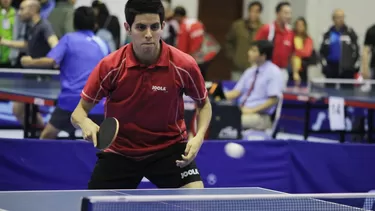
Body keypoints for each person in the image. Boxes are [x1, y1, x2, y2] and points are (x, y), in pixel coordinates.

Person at [71, 0, 212, 189]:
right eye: (140, 27)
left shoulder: (183, 65)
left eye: (154, 27)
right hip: (120, 152)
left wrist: (199, 136)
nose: (148, 34)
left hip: (169, 149)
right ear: (128, 28)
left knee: (198, 200)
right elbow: (78, 112)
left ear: (162, 26)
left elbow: (204, 104)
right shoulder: (110, 66)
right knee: (95, 205)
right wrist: (85, 122)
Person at [20, 6, 109, 139]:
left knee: (46, 136)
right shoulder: (102, 43)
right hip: (98, 103)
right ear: (95, 24)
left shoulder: (68, 39)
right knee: (100, 140)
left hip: (71, 102)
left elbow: (51, 61)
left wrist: (29, 62)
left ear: (74, 23)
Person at [0, 0, 58, 129]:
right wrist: (4, 42)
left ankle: (42, 134)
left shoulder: (44, 26)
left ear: (32, 10)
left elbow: (56, 49)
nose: (19, 12)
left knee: (20, 109)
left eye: (22, 9)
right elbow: (27, 45)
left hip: (42, 79)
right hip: (31, 77)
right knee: (19, 110)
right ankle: (39, 133)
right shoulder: (32, 27)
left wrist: (31, 62)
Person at [224, 40, 283, 131]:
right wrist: (213, 95)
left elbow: (274, 99)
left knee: (229, 121)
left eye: (254, 51)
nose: (249, 53)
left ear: (263, 56)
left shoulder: (274, 72)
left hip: (261, 116)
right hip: (242, 111)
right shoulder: (250, 71)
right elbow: (236, 93)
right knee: (217, 117)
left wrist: (251, 110)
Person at [255, 1, 294, 87]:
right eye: (286, 13)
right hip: (266, 69)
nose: (289, 16)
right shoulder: (266, 29)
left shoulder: (290, 32)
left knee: (279, 98)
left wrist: (295, 73)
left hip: (282, 71)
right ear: (277, 13)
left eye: (290, 13)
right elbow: (255, 49)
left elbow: (292, 54)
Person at [225, 1, 263, 81]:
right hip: (238, 66)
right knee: (235, 89)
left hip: (254, 67)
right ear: (248, 11)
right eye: (251, 11)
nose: (253, 14)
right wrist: (233, 56)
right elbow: (229, 41)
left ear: (260, 13)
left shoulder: (262, 28)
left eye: (256, 11)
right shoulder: (238, 25)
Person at [319, 9, 359, 80]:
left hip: (347, 70)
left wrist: (353, 65)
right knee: (330, 90)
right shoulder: (327, 33)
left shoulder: (350, 32)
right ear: (333, 18)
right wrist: (324, 66)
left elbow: (356, 50)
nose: (341, 19)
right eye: (338, 17)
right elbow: (322, 52)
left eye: (342, 17)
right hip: (331, 68)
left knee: (347, 90)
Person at [291, 17, 314, 85]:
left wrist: (295, 52)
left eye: (301, 25)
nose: (299, 27)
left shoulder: (308, 39)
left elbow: (307, 53)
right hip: (291, 67)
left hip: (302, 68)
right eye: (298, 25)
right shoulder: (291, 36)